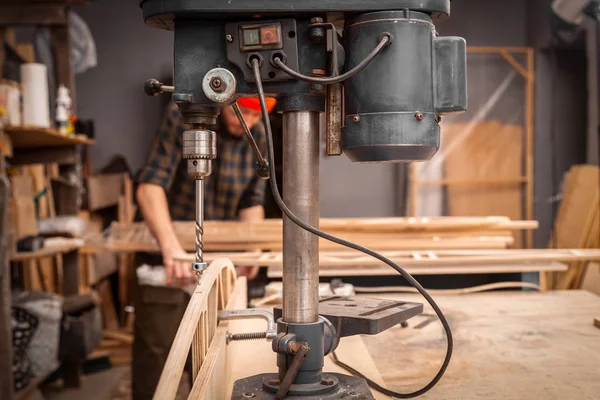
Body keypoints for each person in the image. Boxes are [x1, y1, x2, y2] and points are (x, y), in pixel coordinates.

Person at [132, 97, 276, 399]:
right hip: (165, 260)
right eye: (240, 111)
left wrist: (251, 249)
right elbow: (150, 186)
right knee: (159, 364)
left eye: (254, 114)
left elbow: (251, 201)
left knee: (209, 364)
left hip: (216, 264)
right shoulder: (185, 116)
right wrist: (172, 250)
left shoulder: (257, 135)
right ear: (224, 98)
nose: (246, 121)